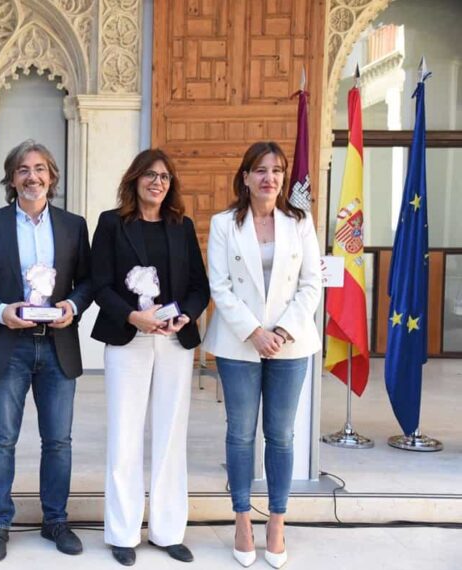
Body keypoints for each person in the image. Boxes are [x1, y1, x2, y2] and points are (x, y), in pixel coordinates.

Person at [0, 140, 93, 563]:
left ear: (52, 177)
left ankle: (55, 520)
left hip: (58, 346)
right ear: (11, 178)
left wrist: (71, 306)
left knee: (58, 441)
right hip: (10, 345)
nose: (32, 177)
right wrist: (2, 311)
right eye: (23, 169)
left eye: (40, 169)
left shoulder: (74, 226)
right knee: (2, 440)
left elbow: (88, 281)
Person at [202, 141, 321, 569]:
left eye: (277, 170)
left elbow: (311, 283)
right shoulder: (224, 224)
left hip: (290, 343)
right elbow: (219, 286)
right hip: (239, 343)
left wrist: (282, 331)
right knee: (240, 433)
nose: (269, 177)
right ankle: (241, 519)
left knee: (281, 434)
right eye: (260, 170)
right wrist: (254, 333)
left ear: (284, 178)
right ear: (246, 177)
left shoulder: (300, 222)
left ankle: (276, 520)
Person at [90, 148, 209, 566]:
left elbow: (199, 286)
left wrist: (186, 315)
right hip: (129, 339)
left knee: (170, 435)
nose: (157, 182)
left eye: (164, 177)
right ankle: (123, 533)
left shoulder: (181, 226)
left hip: (174, 342)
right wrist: (132, 316)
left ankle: (167, 530)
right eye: (150, 175)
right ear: (135, 179)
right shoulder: (111, 223)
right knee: (125, 435)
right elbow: (99, 284)